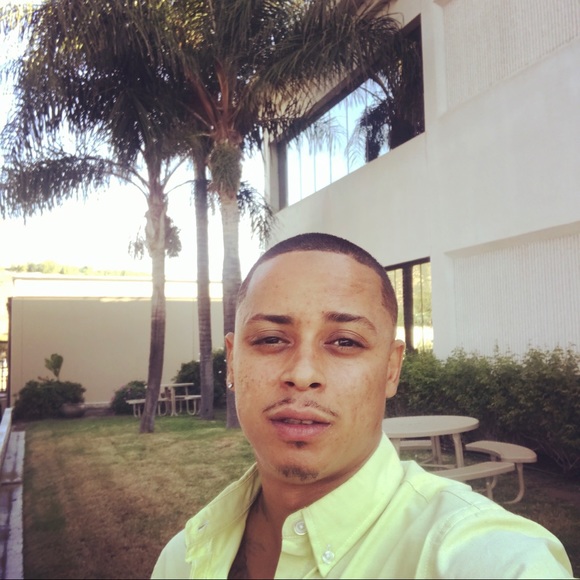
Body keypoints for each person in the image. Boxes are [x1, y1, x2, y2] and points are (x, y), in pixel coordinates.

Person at [152, 232, 573, 579]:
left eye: (345, 342)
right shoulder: (182, 559)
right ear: (233, 360)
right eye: (270, 339)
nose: (302, 373)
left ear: (391, 369)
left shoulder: (482, 556)